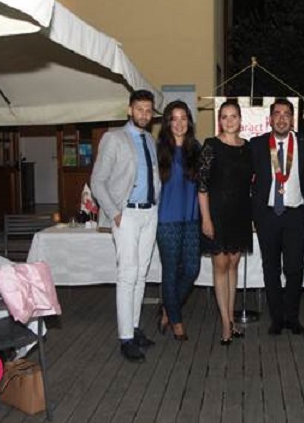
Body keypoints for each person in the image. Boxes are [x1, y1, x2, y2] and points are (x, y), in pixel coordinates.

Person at [91, 89, 160, 362]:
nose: (144, 114)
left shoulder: (150, 140)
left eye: (148, 110)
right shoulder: (114, 138)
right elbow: (97, 181)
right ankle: (125, 337)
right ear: (129, 110)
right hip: (127, 214)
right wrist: (115, 214)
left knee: (141, 274)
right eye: (139, 109)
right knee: (127, 274)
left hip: (149, 213)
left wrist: (156, 206)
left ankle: (134, 326)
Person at [250, 98, 304, 335]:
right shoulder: (257, 144)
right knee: (271, 268)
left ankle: (292, 317)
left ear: (292, 119)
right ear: (270, 119)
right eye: (277, 113)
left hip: (295, 215)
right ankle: (276, 318)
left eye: (286, 114)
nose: (282, 118)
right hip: (267, 215)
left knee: (295, 269)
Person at [198, 100, 252, 346]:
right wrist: (206, 219)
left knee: (233, 265)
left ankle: (231, 317)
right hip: (217, 214)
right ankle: (225, 324)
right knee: (220, 266)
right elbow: (202, 186)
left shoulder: (247, 147)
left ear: (240, 119)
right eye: (225, 116)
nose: (229, 121)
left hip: (240, 214)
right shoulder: (211, 145)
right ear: (219, 120)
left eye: (234, 116)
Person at [155, 101, 201, 341]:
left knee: (192, 269)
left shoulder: (197, 149)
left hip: (192, 219)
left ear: (189, 122)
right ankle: (177, 321)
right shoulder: (159, 151)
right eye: (174, 118)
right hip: (167, 220)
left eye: (184, 118)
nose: (179, 123)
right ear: (167, 123)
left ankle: (168, 308)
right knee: (171, 272)